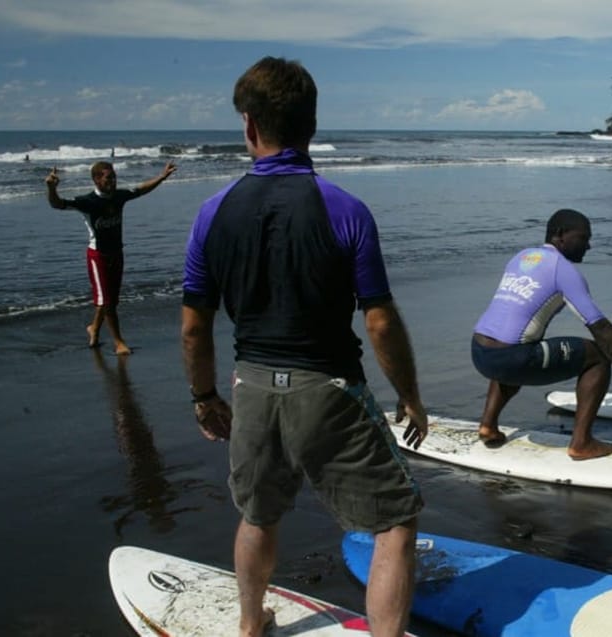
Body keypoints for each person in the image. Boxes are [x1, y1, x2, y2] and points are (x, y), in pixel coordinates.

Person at [180, 56, 427, 637]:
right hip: (328, 390)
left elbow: (194, 325)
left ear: (248, 126)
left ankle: (249, 624)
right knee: (395, 520)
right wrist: (410, 396)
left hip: (251, 387)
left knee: (257, 513)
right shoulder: (345, 210)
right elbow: (380, 322)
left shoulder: (211, 214)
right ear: (311, 126)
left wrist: (203, 395)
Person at [471, 208, 612, 461]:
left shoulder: (521, 257)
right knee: (598, 355)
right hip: (511, 358)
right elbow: (600, 328)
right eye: (584, 238)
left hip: (479, 352)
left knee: (514, 345)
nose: (588, 246)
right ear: (560, 235)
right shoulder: (563, 271)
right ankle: (582, 443)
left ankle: (488, 425)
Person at [45, 159, 176, 355]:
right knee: (107, 302)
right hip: (98, 257)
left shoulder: (118, 196)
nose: (113, 181)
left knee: (111, 300)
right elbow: (57, 205)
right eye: (108, 178)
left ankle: (94, 328)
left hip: (117, 253)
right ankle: (118, 342)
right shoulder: (87, 202)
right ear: (96, 179)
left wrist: (162, 177)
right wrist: (51, 188)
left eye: (114, 177)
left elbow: (140, 190)